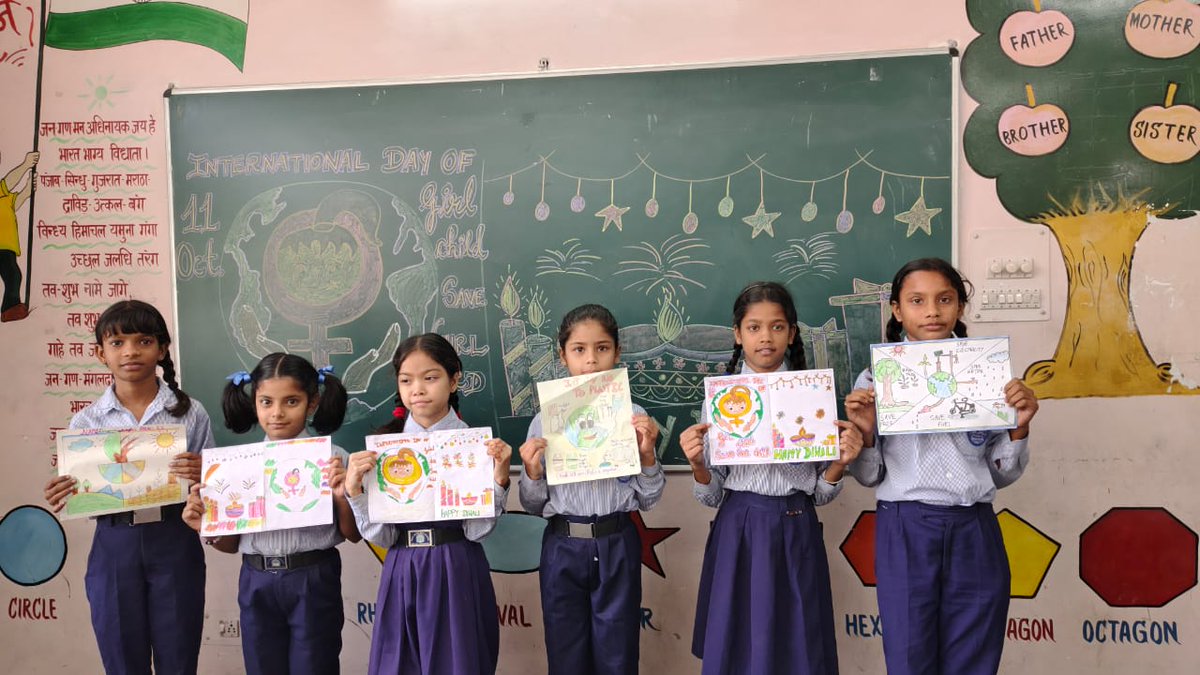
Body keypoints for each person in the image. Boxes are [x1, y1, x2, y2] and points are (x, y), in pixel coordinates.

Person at [844, 258, 1039, 675]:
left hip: (975, 527)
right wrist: (866, 432)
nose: (931, 311)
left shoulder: (989, 376)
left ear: (960, 307)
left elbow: (1002, 473)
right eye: (917, 301)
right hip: (905, 526)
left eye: (944, 299)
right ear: (897, 310)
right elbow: (869, 476)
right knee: (911, 654)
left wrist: (1019, 429)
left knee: (975, 653)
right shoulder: (875, 381)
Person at [679, 281, 863, 675]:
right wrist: (698, 466)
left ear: (792, 333)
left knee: (798, 646)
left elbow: (820, 493)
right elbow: (712, 497)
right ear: (738, 334)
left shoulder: (812, 396)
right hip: (739, 526)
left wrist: (839, 464)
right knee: (738, 645)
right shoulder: (721, 399)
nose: (766, 337)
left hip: (797, 526)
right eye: (754, 327)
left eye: (778, 327)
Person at [43, 299, 213, 674]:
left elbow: (216, 494)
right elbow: (82, 491)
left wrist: (206, 473)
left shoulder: (190, 412)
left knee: (179, 658)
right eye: (117, 343)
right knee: (121, 660)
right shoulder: (86, 420)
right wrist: (67, 491)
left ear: (162, 348)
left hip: (174, 539)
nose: (131, 351)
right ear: (100, 353)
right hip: (113, 544)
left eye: (143, 340)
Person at [344, 333, 512, 675]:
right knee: (399, 663)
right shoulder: (384, 450)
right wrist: (356, 493)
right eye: (406, 380)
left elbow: (477, 530)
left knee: (459, 663)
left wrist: (498, 480)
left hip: (456, 564)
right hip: (403, 565)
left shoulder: (474, 447)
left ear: (454, 380)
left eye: (430, 378)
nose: (417, 389)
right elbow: (383, 537)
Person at [180, 353, 358, 675]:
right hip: (256, 578)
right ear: (254, 403)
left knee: (315, 667)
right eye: (266, 402)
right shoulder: (236, 465)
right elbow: (230, 544)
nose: (277, 413)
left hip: (313, 576)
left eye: (291, 401)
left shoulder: (334, 459)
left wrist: (341, 497)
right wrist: (206, 527)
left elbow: (353, 534)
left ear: (313, 402)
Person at [518, 303, 662, 674]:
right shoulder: (542, 421)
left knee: (619, 654)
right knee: (566, 654)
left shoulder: (635, 415)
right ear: (562, 354)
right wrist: (533, 472)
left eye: (602, 348)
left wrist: (647, 456)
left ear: (617, 352)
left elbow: (649, 498)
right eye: (579, 349)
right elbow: (533, 505)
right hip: (563, 544)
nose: (591, 360)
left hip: (617, 540)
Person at [1, 150, 38, 322]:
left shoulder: (4, 196)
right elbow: (8, 182)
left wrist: (28, 188)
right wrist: (25, 165)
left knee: (13, 275)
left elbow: (16, 201)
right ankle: (10, 309)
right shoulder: (2, 188)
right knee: (13, 274)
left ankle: (10, 309)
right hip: (2, 246)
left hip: (6, 246)